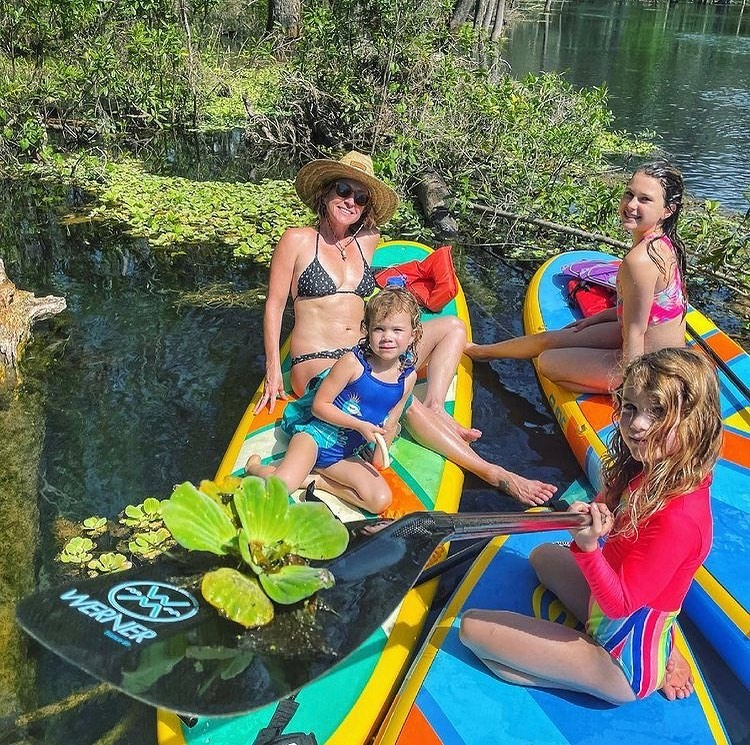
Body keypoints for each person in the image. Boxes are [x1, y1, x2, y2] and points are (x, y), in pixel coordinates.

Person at [253, 150, 556, 505]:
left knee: (453, 328)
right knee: (400, 398)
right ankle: (492, 472)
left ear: (366, 208)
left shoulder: (368, 240)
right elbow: (274, 304)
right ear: (325, 193)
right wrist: (274, 368)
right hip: (319, 362)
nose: (350, 201)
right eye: (343, 190)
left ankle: (437, 406)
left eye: (360, 197)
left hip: (364, 350)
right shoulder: (298, 239)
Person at [459, 347, 721, 704]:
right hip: (608, 610)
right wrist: (599, 511)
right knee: (542, 557)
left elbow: (621, 604)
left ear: (696, 422)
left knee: (472, 629)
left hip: (622, 659)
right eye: (630, 407)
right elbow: (618, 534)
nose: (638, 424)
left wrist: (586, 547)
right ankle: (628, 650)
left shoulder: (681, 519)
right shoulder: (655, 468)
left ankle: (645, 661)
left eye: (657, 411)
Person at [466, 161, 687, 393]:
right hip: (649, 346)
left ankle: (622, 390)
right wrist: (596, 319)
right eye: (629, 194)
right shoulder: (662, 244)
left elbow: (636, 332)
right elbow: (645, 310)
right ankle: (482, 352)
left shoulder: (641, 260)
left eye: (645, 199)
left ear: (668, 210)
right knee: (547, 341)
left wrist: (633, 393)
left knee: (548, 362)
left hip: (652, 369)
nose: (631, 205)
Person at [245, 287, 420, 513]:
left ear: (413, 335)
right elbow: (319, 406)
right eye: (379, 329)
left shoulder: (408, 377)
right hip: (313, 439)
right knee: (283, 487)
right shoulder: (352, 364)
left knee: (379, 500)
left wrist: (379, 457)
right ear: (366, 330)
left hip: (344, 453)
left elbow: (391, 423)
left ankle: (316, 482)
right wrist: (359, 425)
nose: (387, 337)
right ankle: (255, 468)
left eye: (397, 330)